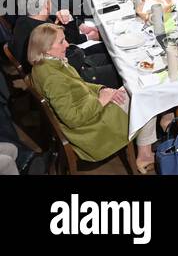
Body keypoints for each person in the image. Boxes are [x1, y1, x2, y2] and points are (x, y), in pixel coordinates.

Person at [28, 23, 157, 173]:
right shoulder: (52, 78)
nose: (67, 44)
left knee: (138, 89)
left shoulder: (46, 64)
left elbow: (79, 85)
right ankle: (145, 156)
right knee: (146, 95)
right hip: (92, 129)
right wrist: (101, 101)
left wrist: (103, 90)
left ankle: (145, 151)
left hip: (92, 110)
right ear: (46, 48)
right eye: (61, 42)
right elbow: (72, 119)